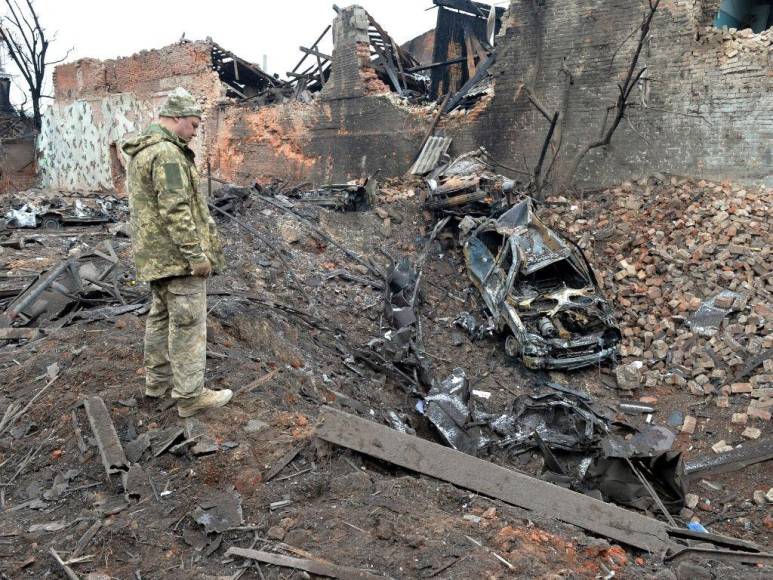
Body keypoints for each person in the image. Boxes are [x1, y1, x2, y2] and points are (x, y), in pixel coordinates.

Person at [122, 87, 233, 418]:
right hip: (177, 259)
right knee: (187, 323)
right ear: (176, 119)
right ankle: (190, 396)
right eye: (194, 125)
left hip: (156, 259)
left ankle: (156, 384)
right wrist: (195, 254)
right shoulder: (168, 155)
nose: (196, 133)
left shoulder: (144, 151)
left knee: (161, 318)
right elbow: (175, 208)